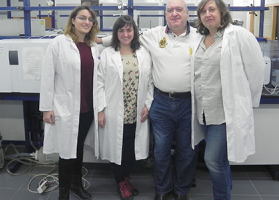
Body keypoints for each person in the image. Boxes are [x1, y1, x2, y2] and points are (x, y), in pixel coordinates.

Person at [100, 1, 200, 199]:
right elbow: (123, 36)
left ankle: (181, 191)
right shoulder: (154, 35)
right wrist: (94, 40)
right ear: (165, 14)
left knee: (187, 151)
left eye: (179, 9)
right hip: (161, 102)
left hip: (189, 103)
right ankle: (162, 190)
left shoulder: (199, 37)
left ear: (188, 13)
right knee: (161, 151)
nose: (174, 14)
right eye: (170, 10)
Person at [191, 0, 264, 199]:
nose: (207, 14)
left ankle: (222, 197)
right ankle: (226, 192)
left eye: (212, 9)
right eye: (203, 11)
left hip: (225, 111)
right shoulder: (199, 38)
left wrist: (247, 102)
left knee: (213, 160)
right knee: (220, 160)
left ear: (222, 12)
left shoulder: (238, 36)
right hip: (203, 111)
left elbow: (256, 70)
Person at [39, 6, 100, 200]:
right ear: (72, 20)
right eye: (82, 18)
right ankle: (63, 193)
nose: (86, 22)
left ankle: (76, 185)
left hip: (88, 108)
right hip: (65, 108)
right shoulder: (59, 43)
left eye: (90, 19)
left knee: (78, 147)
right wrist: (46, 108)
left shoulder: (93, 45)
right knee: (66, 152)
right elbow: (47, 76)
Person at [97, 15, 153, 200]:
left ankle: (126, 179)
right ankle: (120, 183)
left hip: (135, 111)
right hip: (114, 110)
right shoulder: (107, 54)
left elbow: (150, 81)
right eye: (121, 30)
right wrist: (100, 109)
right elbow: (99, 84)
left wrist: (147, 104)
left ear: (134, 32)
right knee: (116, 148)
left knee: (129, 148)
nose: (125, 34)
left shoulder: (144, 53)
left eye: (129, 30)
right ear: (116, 33)